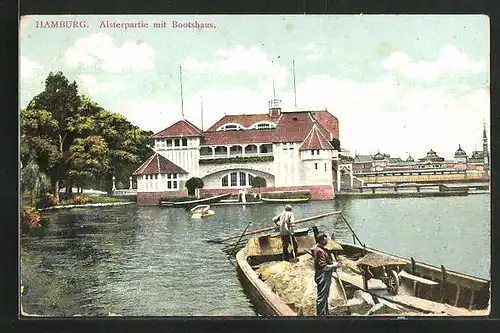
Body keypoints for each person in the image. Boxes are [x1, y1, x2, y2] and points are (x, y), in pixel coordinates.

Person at [314, 232, 340, 316]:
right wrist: (333, 265)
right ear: (321, 240)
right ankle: (320, 316)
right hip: (323, 276)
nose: (327, 241)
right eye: (325, 239)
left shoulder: (321, 250)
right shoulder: (319, 251)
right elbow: (324, 267)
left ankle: (325, 314)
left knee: (324, 296)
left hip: (324, 276)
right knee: (322, 297)